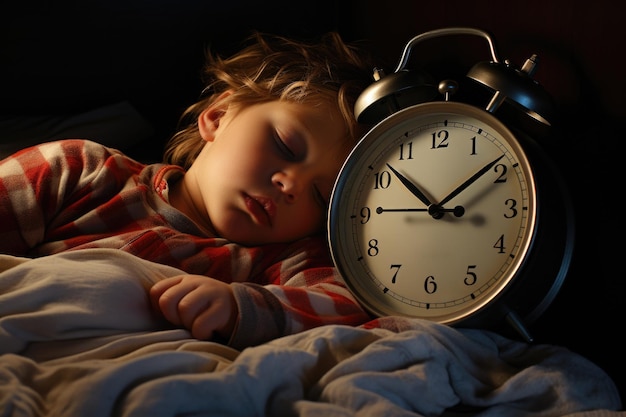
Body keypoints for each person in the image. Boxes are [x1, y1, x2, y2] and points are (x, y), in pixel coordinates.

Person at [0, 32, 376, 349]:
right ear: (218, 116)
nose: (290, 184)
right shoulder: (80, 170)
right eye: (286, 146)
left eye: (321, 197)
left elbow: (352, 305)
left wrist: (238, 308)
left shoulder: (283, 262)